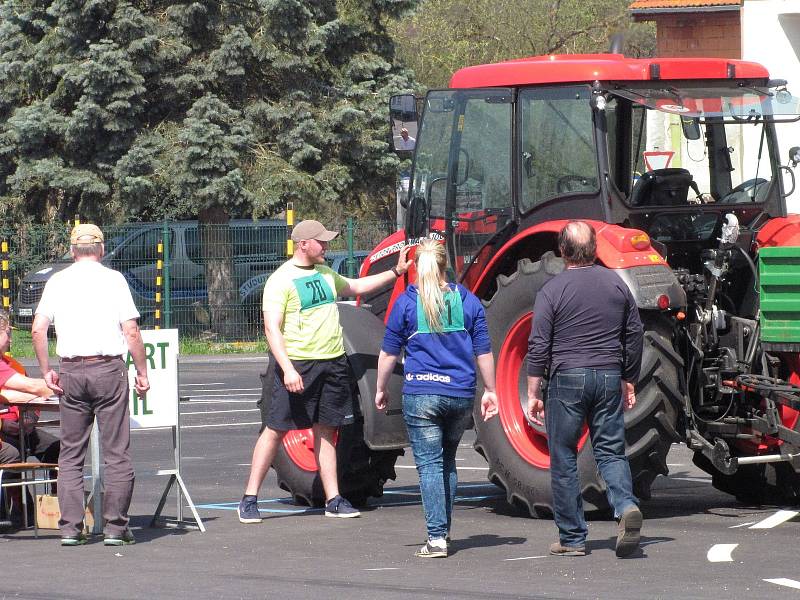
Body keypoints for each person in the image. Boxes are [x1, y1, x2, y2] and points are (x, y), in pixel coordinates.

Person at [238, 219, 412, 523]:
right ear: (303, 244)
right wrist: (288, 370)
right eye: (321, 242)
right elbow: (271, 329)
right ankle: (249, 499)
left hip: (333, 362)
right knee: (276, 430)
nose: (326, 246)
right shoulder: (281, 280)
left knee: (327, 432)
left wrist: (396, 271)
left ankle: (333, 499)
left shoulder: (325, 273)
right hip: (299, 365)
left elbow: (357, 287)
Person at [527, 220, 644, 558]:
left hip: (567, 379)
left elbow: (538, 345)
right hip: (608, 375)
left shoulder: (552, 289)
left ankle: (573, 538)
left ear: (562, 251)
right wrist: (629, 377)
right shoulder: (616, 284)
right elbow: (634, 333)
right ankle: (625, 506)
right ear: (594, 250)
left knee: (563, 456)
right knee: (610, 451)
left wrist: (533, 391)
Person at [374, 238, 498, 558]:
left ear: (415, 266)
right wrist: (491, 390)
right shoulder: (467, 301)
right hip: (459, 394)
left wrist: (380, 388)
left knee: (428, 465)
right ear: (446, 265)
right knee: (447, 462)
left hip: (422, 393)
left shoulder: (405, 302)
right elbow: (483, 351)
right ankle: (444, 531)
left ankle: (436, 538)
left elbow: (388, 354)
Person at [31, 223, 150, 547]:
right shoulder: (113, 280)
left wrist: (46, 371)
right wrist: (142, 371)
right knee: (116, 453)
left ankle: (70, 528)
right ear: (100, 249)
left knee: (71, 454)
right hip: (108, 369)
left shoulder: (57, 280)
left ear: (72, 251)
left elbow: (38, 330)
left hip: (71, 370)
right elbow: (131, 331)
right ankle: (115, 527)